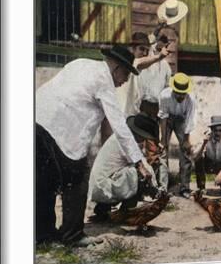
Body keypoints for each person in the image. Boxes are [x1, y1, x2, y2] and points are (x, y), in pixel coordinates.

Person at [35, 44, 152, 246]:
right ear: (116, 68)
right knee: (78, 179)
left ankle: (43, 236)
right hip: (59, 131)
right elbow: (119, 125)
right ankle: (73, 235)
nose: (125, 81)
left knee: (45, 181)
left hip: (37, 118)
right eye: (125, 74)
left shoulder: (81, 63)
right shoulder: (104, 81)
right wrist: (140, 162)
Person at [90, 114, 162, 221]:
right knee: (137, 175)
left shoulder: (124, 138)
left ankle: (103, 208)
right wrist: (154, 188)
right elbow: (144, 170)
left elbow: (141, 162)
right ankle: (126, 211)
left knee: (135, 173)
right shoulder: (125, 142)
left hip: (101, 185)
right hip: (102, 187)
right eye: (144, 136)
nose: (143, 139)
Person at [158, 72, 196, 198]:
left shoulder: (191, 99)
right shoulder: (165, 95)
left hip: (182, 120)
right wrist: (163, 139)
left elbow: (189, 120)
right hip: (167, 120)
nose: (180, 95)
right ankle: (163, 187)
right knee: (162, 150)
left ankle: (184, 187)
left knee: (186, 151)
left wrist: (186, 140)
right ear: (173, 89)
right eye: (178, 92)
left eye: (183, 93)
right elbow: (163, 116)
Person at [192, 115, 221, 196]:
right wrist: (203, 144)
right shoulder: (206, 137)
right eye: (215, 130)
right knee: (199, 160)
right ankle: (201, 188)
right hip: (209, 163)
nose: (218, 133)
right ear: (212, 129)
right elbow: (195, 157)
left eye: (220, 130)